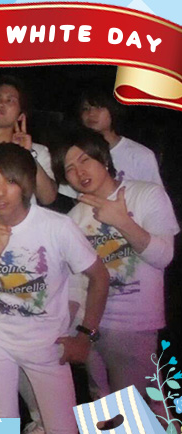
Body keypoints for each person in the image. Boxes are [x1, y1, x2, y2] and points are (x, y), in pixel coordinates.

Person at [0, 142, 109, 434]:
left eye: (10, 181)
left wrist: (86, 335)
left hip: (47, 344)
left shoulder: (57, 227)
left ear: (27, 185)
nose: (0, 192)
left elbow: (99, 277)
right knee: (1, 424)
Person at [53, 128, 179, 406]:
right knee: (102, 403)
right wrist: (74, 331)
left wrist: (122, 222)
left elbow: (164, 257)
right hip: (91, 326)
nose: (79, 172)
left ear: (104, 159)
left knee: (134, 407)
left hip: (134, 326)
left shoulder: (147, 194)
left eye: (85, 160)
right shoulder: (73, 218)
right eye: (69, 168)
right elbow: (75, 283)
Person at [60, 88, 163, 199]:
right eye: (85, 109)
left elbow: (157, 198)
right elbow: (69, 199)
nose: (91, 113)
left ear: (113, 110)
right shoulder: (73, 154)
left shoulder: (140, 155)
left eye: (99, 107)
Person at [0, 75, 57, 205]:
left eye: (10, 100)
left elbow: (48, 197)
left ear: (21, 115)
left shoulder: (37, 151)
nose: (1, 104)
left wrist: (27, 154)